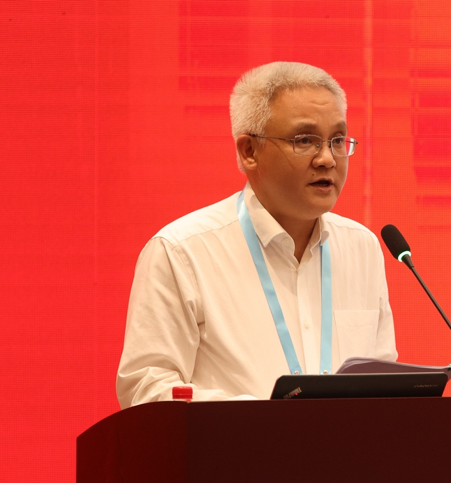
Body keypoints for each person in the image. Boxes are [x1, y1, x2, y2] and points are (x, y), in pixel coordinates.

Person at [116, 62, 397, 406]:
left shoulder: (362, 247)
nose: (327, 159)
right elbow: (147, 390)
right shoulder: (182, 252)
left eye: (337, 140)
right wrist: (255, 418)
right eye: (305, 140)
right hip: (233, 443)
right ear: (249, 151)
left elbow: (383, 385)